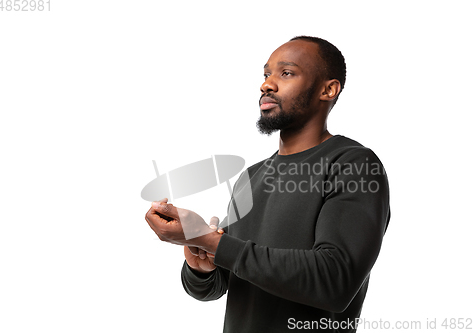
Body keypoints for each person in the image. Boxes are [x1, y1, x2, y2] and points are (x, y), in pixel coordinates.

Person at [145, 36, 391, 333]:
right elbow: (217, 285)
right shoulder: (251, 176)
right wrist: (201, 262)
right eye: (266, 74)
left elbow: (335, 281)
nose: (267, 84)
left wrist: (213, 243)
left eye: (286, 73)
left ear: (328, 89)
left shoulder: (354, 165)